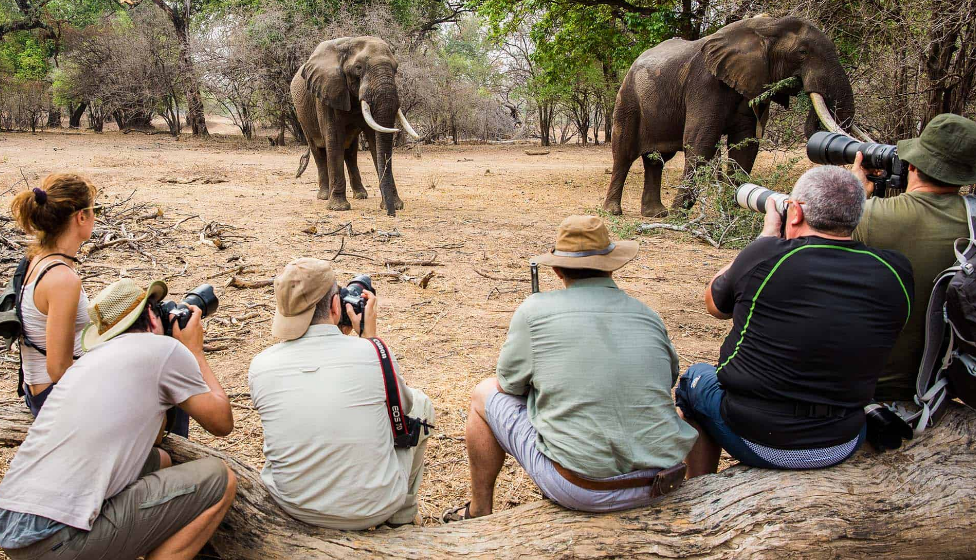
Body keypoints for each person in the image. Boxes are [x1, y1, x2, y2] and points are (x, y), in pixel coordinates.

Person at [442, 215, 697, 522]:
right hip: (661, 482)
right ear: (612, 265)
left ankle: (479, 510)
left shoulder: (534, 311)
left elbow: (508, 385)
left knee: (482, 394)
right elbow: (666, 378)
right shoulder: (648, 315)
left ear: (557, 268)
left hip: (582, 489)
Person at [677, 166, 913, 477]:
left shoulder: (767, 255)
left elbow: (715, 305)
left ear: (796, 212)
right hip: (843, 438)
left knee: (693, 380)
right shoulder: (895, 270)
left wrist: (764, 237)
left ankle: (701, 489)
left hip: (759, 436)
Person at [0, 278, 237, 560]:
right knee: (220, 479)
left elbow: (154, 437)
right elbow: (222, 423)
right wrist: (194, 352)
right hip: (58, 542)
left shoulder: (87, 363)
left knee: (159, 460)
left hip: (13, 526)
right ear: (150, 314)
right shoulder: (163, 351)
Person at [248, 258, 435, 530]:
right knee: (420, 404)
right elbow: (402, 409)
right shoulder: (374, 354)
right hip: (374, 507)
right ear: (336, 305)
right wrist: (370, 339)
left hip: (293, 505)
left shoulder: (260, 366)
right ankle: (402, 518)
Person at [851, 113, 976, 401]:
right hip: (948, 382)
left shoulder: (869, 216)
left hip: (872, 387)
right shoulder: (971, 223)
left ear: (912, 165)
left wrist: (854, 192)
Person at [10, 174, 97, 415]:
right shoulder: (62, 278)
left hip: (37, 390)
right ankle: (153, 451)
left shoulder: (35, 258)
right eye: (94, 210)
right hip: (55, 401)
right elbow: (59, 369)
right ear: (81, 217)